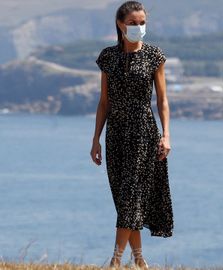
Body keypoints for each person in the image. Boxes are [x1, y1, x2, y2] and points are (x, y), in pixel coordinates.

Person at [89, 1, 174, 268]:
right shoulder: (108, 57)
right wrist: (95, 140)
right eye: (133, 23)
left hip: (143, 134)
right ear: (120, 24)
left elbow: (162, 100)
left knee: (131, 197)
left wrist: (166, 135)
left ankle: (115, 262)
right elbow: (104, 102)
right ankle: (139, 261)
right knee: (125, 200)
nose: (138, 27)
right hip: (115, 134)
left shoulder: (154, 55)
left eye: (141, 23)